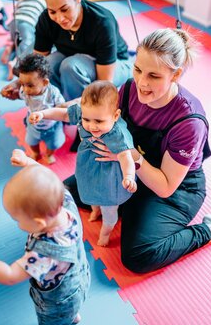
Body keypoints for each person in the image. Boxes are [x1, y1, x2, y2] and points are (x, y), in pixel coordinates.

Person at [64, 28, 211, 273]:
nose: (142, 83)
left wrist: (130, 156)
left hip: (173, 187)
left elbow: (165, 186)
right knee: (65, 193)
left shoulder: (189, 122)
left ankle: (206, 231)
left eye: (154, 76)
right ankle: (126, 205)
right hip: (129, 169)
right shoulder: (128, 89)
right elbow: (97, 114)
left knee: (139, 255)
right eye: (137, 69)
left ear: (175, 75)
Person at [2, 0, 132, 151]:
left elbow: (105, 83)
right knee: (50, 64)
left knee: (70, 67)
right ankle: (54, 114)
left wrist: (75, 104)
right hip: (74, 58)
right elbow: (37, 63)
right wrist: (19, 83)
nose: (59, 18)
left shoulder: (102, 21)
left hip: (116, 64)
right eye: (52, 11)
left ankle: (80, 122)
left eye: (65, 9)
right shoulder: (46, 20)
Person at [0, 154, 90, 325]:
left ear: (38, 223)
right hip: (79, 278)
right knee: (70, 308)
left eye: (17, 220)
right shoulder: (64, 201)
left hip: (57, 303)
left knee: (56, 319)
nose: (17, 224)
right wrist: (29, 163)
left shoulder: (44, 255)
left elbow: (10, 275)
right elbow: (50, 181)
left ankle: (66, 318)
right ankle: (71, 316)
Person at [29, 81, 137, 246]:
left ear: (115, 116)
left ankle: (106, 233)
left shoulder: (118, 134)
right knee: (88, 191)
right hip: (88, 167)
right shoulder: (85, 113)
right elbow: (64, 114)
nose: (91, 126)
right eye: (86, 119)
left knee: (109, 207)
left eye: (99, 122)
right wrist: (44, 114)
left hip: (110, 176)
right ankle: (95, 210)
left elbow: (126, 157)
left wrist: (129, 176)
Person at [0, 53, 65, 164]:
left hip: (52, 126)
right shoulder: (25, 91)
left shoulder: (53, 93)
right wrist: (11, 95)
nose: (25, 90)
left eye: (30, 85)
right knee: (31, 142)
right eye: (22, 84)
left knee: (53, 144)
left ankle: (49, 155)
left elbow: (62, 107)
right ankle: (36, 153)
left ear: (45, 82)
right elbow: (19, 95)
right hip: (33, 125)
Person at [0, 0, 46, 80]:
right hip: (28, 23)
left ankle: (10, 47)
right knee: (29, 43)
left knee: (17, 40)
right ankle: (15, 62)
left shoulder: (21, 0)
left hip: (14, 23)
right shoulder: (41, 1)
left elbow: (15, 12)